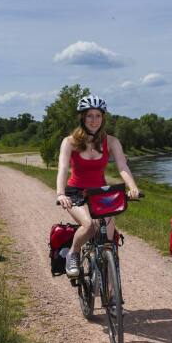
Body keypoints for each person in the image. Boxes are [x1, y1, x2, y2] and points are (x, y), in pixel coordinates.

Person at [56, 95, 140, 278]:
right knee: (89, 226)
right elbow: (63, 168)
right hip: (76, 193)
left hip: (100, 193)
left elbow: (122, 166)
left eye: (98, 116)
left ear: (103, 118)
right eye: (89, 116)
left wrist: (133, 187)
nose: (94, 120)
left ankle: (109, 288)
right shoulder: (69, 142)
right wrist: (61, 193)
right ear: (82, 118)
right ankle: (74, 253)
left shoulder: (111, 141)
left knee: (109, 242)